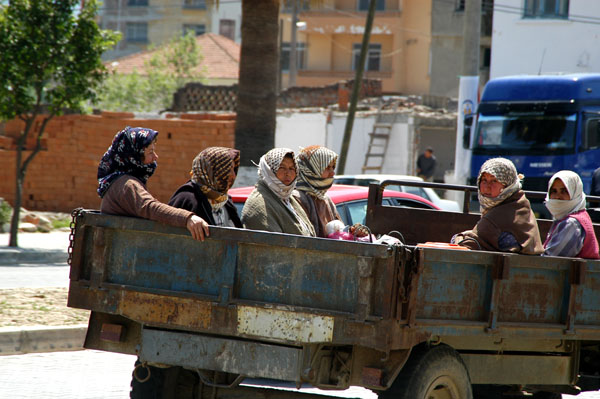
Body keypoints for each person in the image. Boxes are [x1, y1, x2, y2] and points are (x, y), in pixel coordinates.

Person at [97, 126, 209, 241]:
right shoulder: (126, 184)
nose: (155, 157)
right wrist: (187, 219)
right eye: (150, 152)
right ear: (133, 155)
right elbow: (149, 207)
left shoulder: (125, 181)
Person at [451, 157, 543, 254]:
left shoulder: (497, 218)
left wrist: (459, 238)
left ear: (507, 185)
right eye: (484, 180)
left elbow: (474, 241)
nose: (487, 187)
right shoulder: (519, 201)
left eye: (494, 181)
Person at [241, 148, 315, 236]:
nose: (288, 173)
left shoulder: (288, 199)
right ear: (269, 170)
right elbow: (273, 246)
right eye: (282, 167)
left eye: (292, 168)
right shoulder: (259, 204)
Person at [168, 147, 242, 228]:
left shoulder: (226, 202)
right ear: (212, 171)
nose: (233, 176)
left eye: (234, 169)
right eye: (228, 169)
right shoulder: (187, 199)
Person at [543, 171, 599, 258]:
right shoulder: (568, 217)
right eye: (554, 191)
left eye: (564, 191)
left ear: (575, 193)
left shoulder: (572, 223)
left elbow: (550, 259)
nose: (558, 196)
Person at [292, 145, 342, 237]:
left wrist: (354, 231)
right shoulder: (297, 198)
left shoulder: (326, 199)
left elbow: (341, 232)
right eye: (327, 167)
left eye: (333, 167)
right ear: (311, 169)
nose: (332, 172)